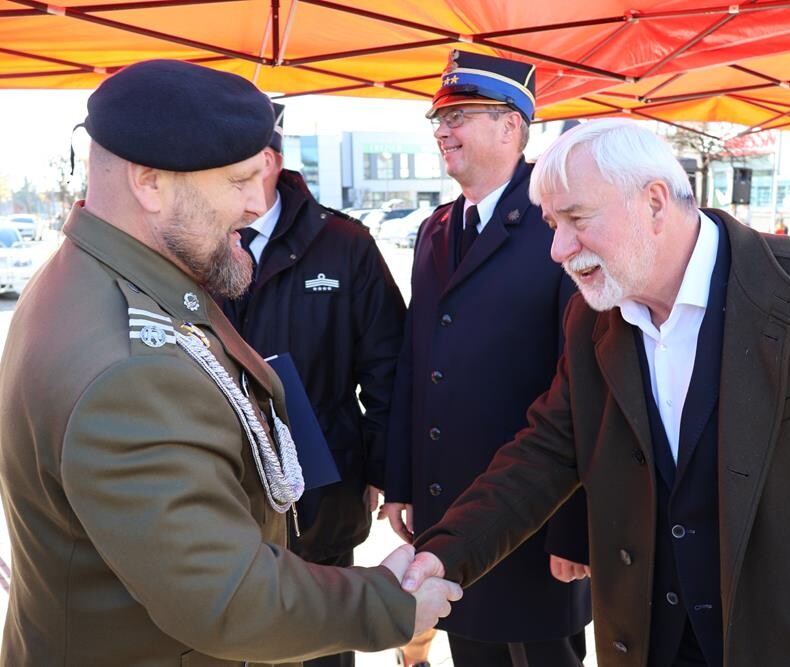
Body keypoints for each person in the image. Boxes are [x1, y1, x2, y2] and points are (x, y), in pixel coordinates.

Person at [402, 119, 790, 667]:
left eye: (577, 218)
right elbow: (543, 453)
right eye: (553, 224)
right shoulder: (591, 317)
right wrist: (444, 554)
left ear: (653, 202)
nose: (558, 248)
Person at [0, 59, 461, 666]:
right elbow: (227, 599)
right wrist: (389, 604)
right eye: (237, 181)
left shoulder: (100, 278)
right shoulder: (133, 369)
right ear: (151, 183)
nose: (254, 203)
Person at [382, 50, 592, 667]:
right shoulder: (437, 228)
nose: (444, 131)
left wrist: (574, 525)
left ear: (512, 126)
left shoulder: (558, 221)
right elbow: (415, 365)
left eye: (462, 115)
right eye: (438, 119)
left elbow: (582, 382)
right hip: (450, 508)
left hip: (533, 520)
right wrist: (402, 482)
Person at [220, 103, 407, 667]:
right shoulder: (191, 242)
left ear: (268, 161)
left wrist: (382, 471)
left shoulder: (345, 245)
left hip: (322, 495)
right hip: (220, 488)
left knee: (322, 644)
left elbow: (386, 367)